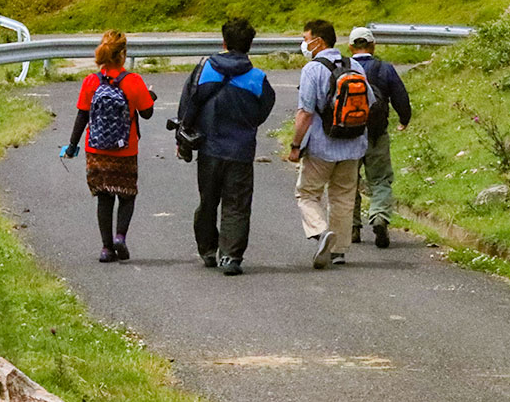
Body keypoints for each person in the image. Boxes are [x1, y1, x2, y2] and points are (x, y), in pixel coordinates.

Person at [176, 17, 276, 275]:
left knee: (208, 201)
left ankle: (208, 250)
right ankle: (231, 257)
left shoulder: (205, 68)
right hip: (241, 151)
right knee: (237, 204)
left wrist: (183, 139)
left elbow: (187, 105)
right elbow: (264, 110)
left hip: (209, 149)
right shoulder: (257, 78)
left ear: (224, 41)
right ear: (250, 45)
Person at [61, 30, 156, 262]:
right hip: (125, 150)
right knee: (127, 195)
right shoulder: (133, 81)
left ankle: (106, 249)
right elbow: (147, 113)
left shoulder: (91, 81)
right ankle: (120, 236)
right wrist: (150, 95)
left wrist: (72, 145)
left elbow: (82, 116)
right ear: (122, 54)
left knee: (104, 198)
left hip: (96, 150)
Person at [287, 19, 375, 269]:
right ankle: (338, 251)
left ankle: (320, 231)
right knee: (343, 196)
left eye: (306, 39)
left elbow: (305, 112)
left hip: (321, 147)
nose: (304, 44)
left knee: (307, 194)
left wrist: (295, 145)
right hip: (354, 144)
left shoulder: (312, 70)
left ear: (318, 41)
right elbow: (370, 101)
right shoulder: (355, 65)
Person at [347, 26, 412, 248]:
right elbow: (400, 97)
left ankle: (352, 227)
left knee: (348, 182)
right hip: (376, 134)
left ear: (350, 47)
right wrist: (404, 119)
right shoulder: (384, 68)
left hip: (347, 136)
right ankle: (379, 218)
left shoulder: (344, 69)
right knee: (381, 179)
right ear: (373, 46)